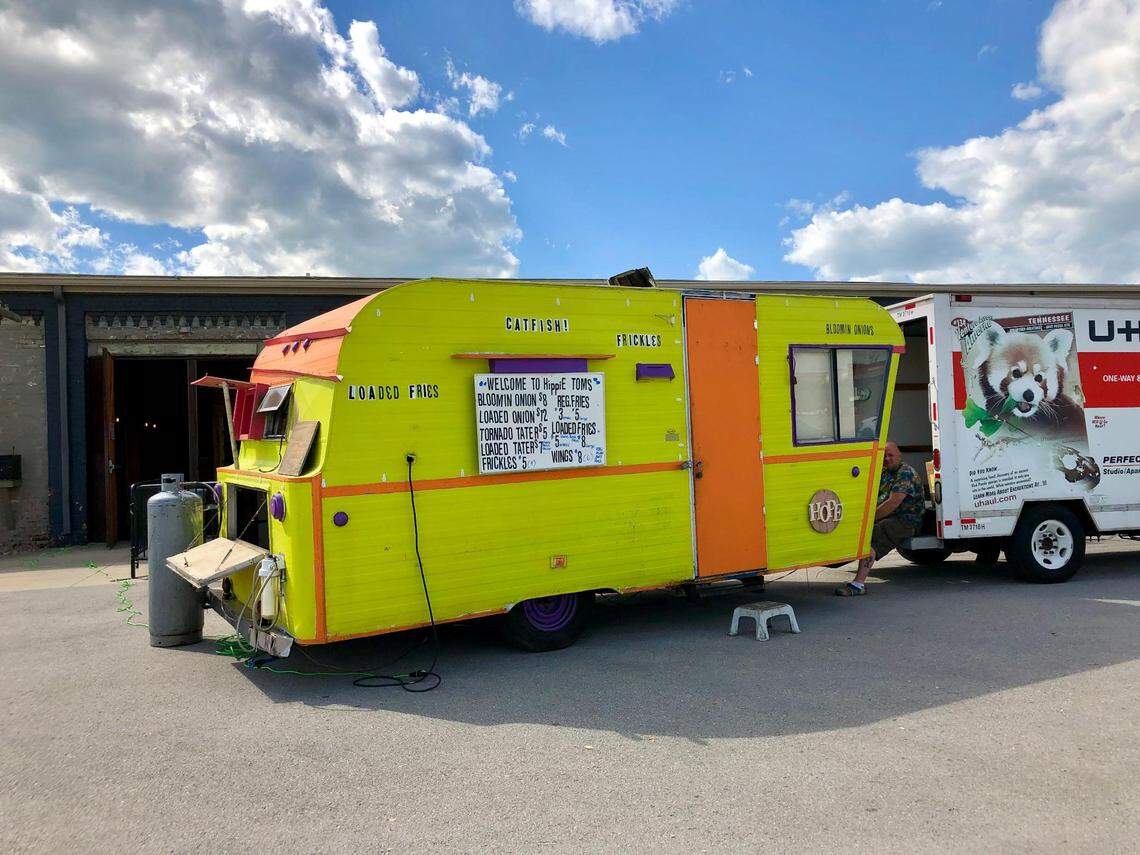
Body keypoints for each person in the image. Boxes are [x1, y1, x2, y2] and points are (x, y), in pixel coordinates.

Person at [836, 441, 924, 596]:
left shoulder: (905, 473)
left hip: (906, 521)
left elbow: (892, 503)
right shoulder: (884, 471)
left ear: (899, 455)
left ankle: (858, 585)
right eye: (883, 456)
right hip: (892, 517)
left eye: (890, 455)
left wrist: (868, 521)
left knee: (870, 538)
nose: (887, 459)